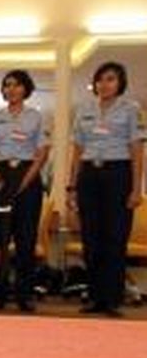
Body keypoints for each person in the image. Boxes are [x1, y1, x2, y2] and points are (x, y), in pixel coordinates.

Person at [68, 62, 145, 317]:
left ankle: (112, 299)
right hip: (89, 174)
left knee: (115, 238)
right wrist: (72, 187)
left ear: (120, 82)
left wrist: (136, 189)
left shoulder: (131, 109)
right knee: (91, 239)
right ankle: (94, 297)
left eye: (110, 79)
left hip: (118, 174)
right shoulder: (83, 109)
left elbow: (137, 150)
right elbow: (77, 150)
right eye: (100, 80)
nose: (104, 84)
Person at [0, 70, 50, 312]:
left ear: (25, 89)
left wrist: (25, 181)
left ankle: (24, 294)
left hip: (27, 175)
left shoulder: (36, 117)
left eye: (16, 85)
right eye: (7, 85)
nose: (11, 89)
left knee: (25, 239)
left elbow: (42, 153)